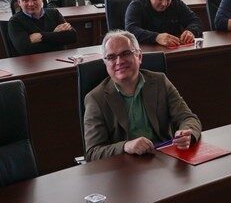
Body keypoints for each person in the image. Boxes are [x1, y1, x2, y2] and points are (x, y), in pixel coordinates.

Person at [83, 30, 201, 161]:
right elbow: (93, 152)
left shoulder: (159, 82)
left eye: (126, 53)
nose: (119, 61)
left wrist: (187, 133)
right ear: (105, 63)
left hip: (163, 159)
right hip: (124, 168)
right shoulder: (95, 99)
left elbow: (188, 118)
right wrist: (126, 146)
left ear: (139, 56)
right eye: (111, 57)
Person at [125, 0, 203, 47]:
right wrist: (156, 37)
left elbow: (195, 20)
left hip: (175, 50)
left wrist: (191, 31)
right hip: (147, 53)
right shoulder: (136, 5)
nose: (164, 3)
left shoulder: (175, 2)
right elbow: (131, 30)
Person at [8, 0, 77, 55]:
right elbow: (25, 49)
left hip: (58, 61)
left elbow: (72, 37)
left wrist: (41, 36)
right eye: (26, 0)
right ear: (19, 2)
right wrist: (55, 36)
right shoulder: (15, 21)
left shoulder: (54, 13)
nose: (31, 4)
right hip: (33, 64)